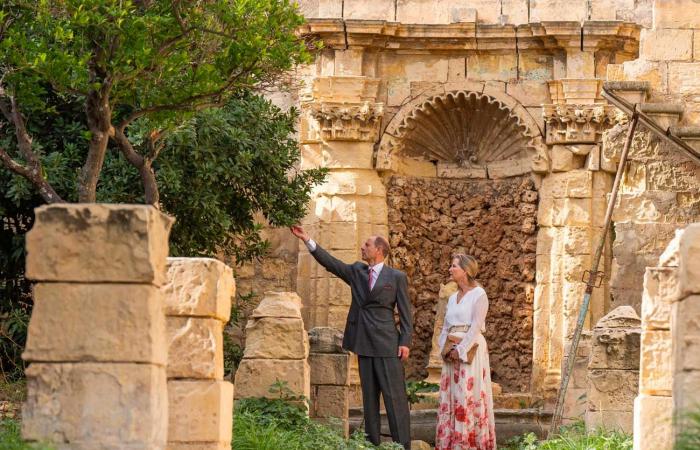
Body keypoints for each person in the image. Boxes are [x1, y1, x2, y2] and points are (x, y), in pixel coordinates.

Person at [290, 225, 413, 449]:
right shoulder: (357, 271)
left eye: (367, 245)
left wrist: (405, 342)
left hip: (388, 346)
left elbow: (406, 313)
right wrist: (308, 240)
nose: (362, 247)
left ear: (379, 250)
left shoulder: (396, 277)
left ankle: (402, 446)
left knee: (395, 400)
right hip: (364, 344)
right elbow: (332, 264)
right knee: (369, 401)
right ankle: (372, 444)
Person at [435, 254, 496, 450]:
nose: (450, 270)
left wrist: (460, 350)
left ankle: (470, 444)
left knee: (468, 394)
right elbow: (445, 326)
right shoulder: (452, 297)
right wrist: (443, 348)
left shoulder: (479, 295)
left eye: (453, 266)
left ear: (466, 271)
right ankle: (451, 443)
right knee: (452, 395)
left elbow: (476, 326)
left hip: (470, 350)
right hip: (451, 351)